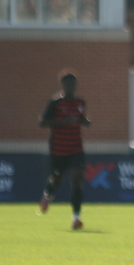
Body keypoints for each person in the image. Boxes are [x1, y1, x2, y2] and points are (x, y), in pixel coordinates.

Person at [39, 71, 91, 230]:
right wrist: (62, 121)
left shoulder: (80, 102)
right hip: (59, 148)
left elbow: (82, 119)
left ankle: (76, 217)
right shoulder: (56, 102)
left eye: (73, 84)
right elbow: (43, 122)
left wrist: (85, 122)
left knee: (77, 181)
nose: (70, 87)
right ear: (62, 86)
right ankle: (48, 194)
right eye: (67, 84)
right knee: (57, 178)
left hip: (76, 147)